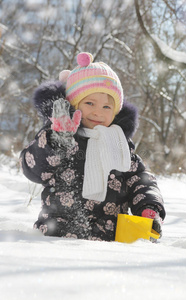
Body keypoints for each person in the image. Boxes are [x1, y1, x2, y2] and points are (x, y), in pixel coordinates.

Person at [20, 52, 166, 242]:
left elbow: (141, 180)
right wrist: (57, 141)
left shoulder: (119, 143)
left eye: (107, 107)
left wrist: (149, 207)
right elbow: (33, 170)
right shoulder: (57, 135)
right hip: (57, 238)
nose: (98, 112)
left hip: (108, 241)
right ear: (73, 103)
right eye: (90, 103)